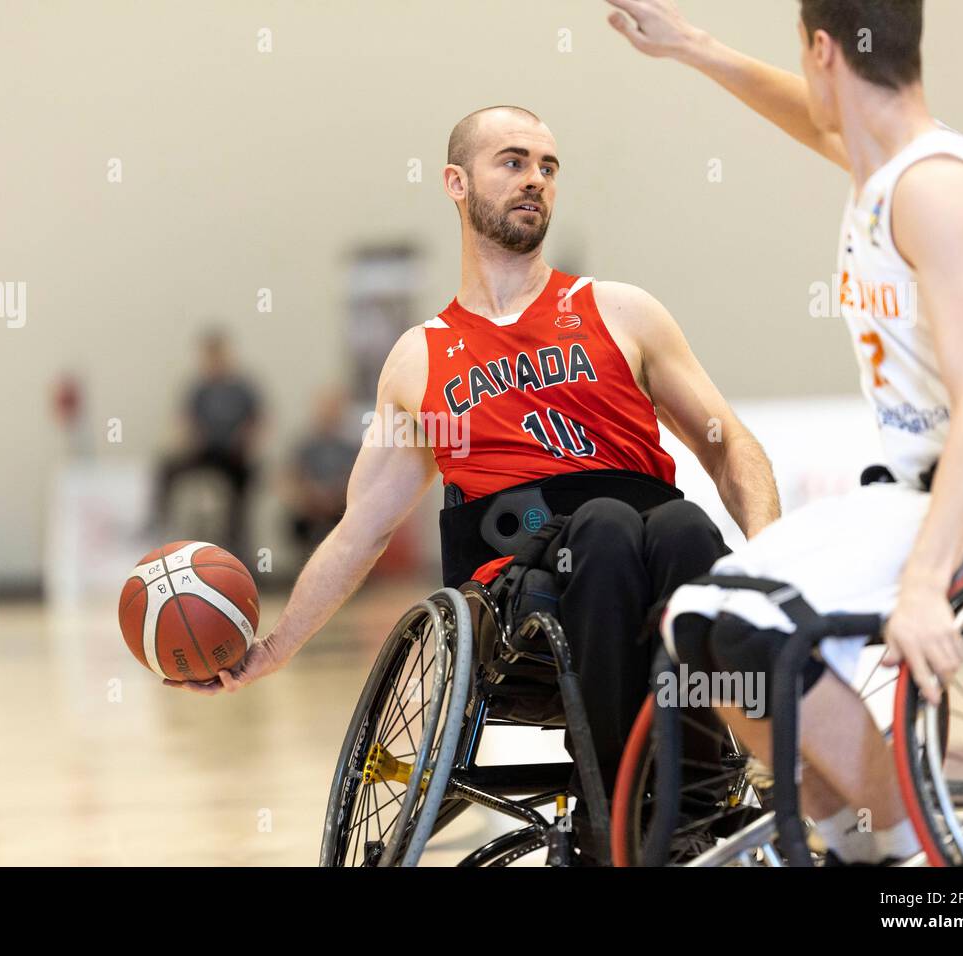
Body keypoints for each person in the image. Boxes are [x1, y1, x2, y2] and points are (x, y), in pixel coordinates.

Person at [166, 104, 780, 862]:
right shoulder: (421, 359)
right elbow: (364, 526)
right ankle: (619, 816)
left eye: (548, 168)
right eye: (514, 162)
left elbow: (728, 443)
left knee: (685, 528)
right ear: (456, 183)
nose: (535, 181)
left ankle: (691, 795)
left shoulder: (621, 312)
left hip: (654, 551)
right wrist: (273, 649)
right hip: (524, 586)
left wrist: (776, 556)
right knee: (607, 529)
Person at [605, 0, 963, 863]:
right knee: (701, 621)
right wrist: (695, 50)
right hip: (928, 487)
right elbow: (811, 115)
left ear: (824, 48)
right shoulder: (884, 169)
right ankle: (861, 845)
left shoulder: (935, 189)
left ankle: (908, 857)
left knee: (754, 629)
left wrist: (927, 586)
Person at [152, 331, 261, 563]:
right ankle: (158, 520)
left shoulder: (242, 389)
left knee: (243, 486)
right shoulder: (198, 389)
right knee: (166, 465)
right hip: (204, 451)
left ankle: (238, 547)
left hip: (233, 455)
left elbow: (258, 421)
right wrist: (190, 437)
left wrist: (246, 440)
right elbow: (184, 420)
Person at [283, 387, 357, 568]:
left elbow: (357, 480)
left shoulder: (351, 447)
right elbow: (289, 476)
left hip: (341, 508)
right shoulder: (304, 445)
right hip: (309, 508)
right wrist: (307, 497)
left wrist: (335, 497)